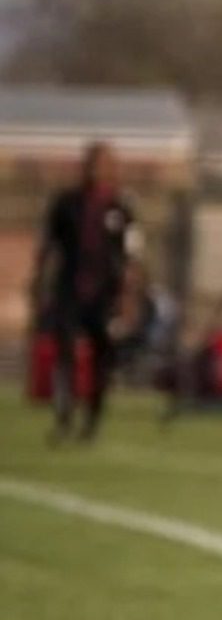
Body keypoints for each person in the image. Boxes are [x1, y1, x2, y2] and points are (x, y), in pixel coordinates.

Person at [32, 141, 135, 444]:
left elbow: (130, 254)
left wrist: (127, 295)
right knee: (65, 354)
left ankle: (92, 421)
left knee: (102, 355)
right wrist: (39, 286)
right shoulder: (67, 203)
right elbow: (48, 246)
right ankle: (64, 416)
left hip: (105, 294)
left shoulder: (120, 207)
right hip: (70, 289)